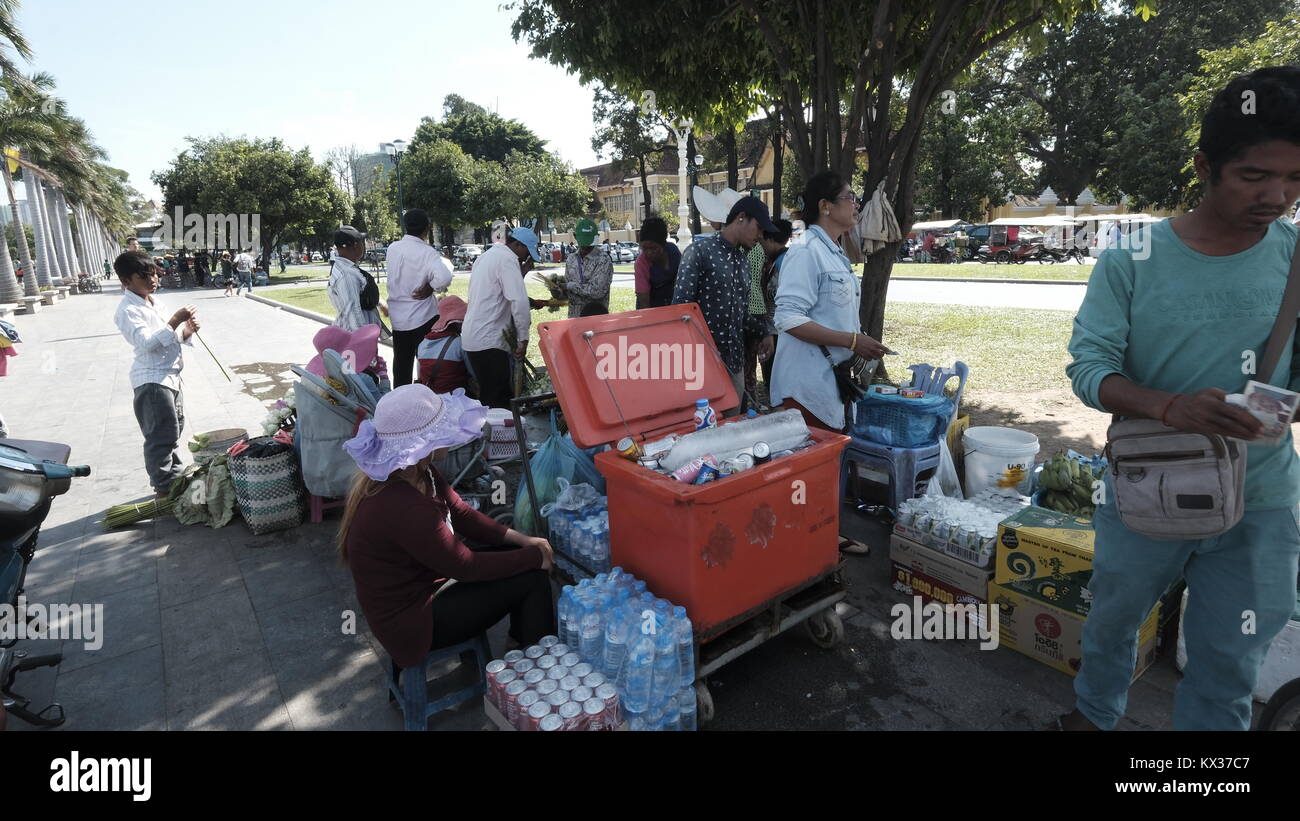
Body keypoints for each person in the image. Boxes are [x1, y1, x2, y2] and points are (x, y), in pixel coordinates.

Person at [1060, 66, 1300, 733]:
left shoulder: (1295, 257)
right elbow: (1090, 368)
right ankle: (1094, 712)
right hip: (1148, 484)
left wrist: (1282, 406)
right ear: (1204, 166)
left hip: (1261, 498)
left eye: (1295, 178)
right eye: (1255, 176)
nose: (1277, 195)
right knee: (1113, 619)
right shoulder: (1132, 258)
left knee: (1229, 660)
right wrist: (1170, 406)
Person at [338, 385, 555, 675]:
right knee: (532, 578)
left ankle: (524, 644)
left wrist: (524, 540)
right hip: (413, 623)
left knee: (518, 555)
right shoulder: (404, 505)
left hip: (424, 588)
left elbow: (462, 514)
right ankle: (540, 669)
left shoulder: (419, 472)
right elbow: (465, 565)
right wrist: (534, 557)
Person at [769, 170, 889, 433]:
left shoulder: (832, 250)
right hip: (806, 389)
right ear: (825, 206)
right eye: (850, 197)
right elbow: (788, 318)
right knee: (810, 470)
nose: (856, 204)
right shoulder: (806, 250)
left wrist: (855, 340)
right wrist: (853, 341)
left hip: (830, 382)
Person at [111, 251, 200, 498]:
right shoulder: (128, 310)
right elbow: (148, 343)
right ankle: (163, 486)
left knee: (173, 430)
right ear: (126, 281)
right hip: (152, 380)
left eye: (154, 275)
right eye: (144, 277)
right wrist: (174, 320)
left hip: (169, 376)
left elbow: (170, 339)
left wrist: (187, 330)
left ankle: (175, 476)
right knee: (161, 435)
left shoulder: (153, 301)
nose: (153, 281)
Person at [671, 196, 776, 403]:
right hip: (700, 365)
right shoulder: (700, 252)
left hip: (734, 364)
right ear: (741, 218)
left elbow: (741, 313)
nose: (761, 236)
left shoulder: (742, 261)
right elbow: (680, 312)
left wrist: (766, 331)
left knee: (732, 427)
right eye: (759, 228)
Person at [461, 226, 544, 409]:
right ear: (517, 245)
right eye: (526, 252)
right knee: (498, 401)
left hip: (473, 338)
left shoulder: (487, 256)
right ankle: (500, 437)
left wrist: (521, 273)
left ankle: (492, 434)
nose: (525, 258)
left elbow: (497, 291)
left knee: (489, 396)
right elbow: (518, 300)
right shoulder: (508, 259)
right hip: (489, 341)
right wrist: (523, 339)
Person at [386, 209, 455, 387]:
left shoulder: (393, 249)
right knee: (426, 362)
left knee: (401, 363)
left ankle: (401, 401)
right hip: (421, 316)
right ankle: (425, 401)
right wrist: (431, 287)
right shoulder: (427, 252)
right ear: (427, 228)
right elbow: (445, 277)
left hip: (398, 317)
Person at [745, 218, 793, 398]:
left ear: (771, 240)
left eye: (763, 241)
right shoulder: (784, 258)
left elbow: (776, 295)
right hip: (777, 328)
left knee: (774, 375)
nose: (761, 246)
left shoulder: (781, 262)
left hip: (778, 329)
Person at [327, 226, 389, 338]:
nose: (364, 246)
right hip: (355, 342)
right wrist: (364, 343)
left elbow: (360, 292)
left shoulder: (346, 268)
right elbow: (353, 313)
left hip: (356, 337)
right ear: (356, 245)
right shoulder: (347, 275)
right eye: (362, 242)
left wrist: (380, 303)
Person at [417, 296, 471, 394]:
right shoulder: (459, 343)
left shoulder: (423, 342)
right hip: (456, 398)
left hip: (431, 398)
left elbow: (420, 376)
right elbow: (472, 372)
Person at [564, 218, 613, 318]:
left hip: (596, 319)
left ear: (597, 237)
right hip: (574, 319)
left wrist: (570, 286)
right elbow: (567, 294)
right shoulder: (571, 259)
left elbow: (597, 291)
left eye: (589, 241)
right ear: (575, 236)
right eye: (583, 241)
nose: (586, 246)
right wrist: (558, 290)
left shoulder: (603, 260)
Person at [634, 216, 681, 309]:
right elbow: (644, 300)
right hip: (651, 307)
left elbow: (682, 284)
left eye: (653, 248)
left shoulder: (673, 252)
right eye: (644, 248)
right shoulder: (641, 263)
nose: (648, 252)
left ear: (663, 245)